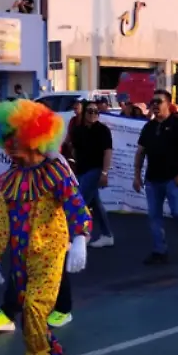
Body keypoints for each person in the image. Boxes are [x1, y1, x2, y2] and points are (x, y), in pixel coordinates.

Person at [0, 99, 91, 355]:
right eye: (7, 139)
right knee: (28, 309)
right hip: (20, 255)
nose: (10, 146)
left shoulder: (56, 172)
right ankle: (54, 353)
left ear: (34, 137)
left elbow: (76, 206)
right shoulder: (9, 180)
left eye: (16, 139)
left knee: (34, 307)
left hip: (49, 252)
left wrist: (80, 238)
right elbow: (0, 221)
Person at [133, 90, 178, 265]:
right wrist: (137, 175)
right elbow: (140, 152)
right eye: (152, 102)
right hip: (152, 179)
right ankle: (159, 251)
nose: (154, 105)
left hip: (173, 179)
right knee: (154, 216)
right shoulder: (149, 127)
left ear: (168, 103)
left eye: (158, 101)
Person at [71, 103, 114, 248]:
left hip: (95, 170)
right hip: (81, 170)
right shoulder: (78, 130)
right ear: (84, 113)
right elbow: (73, 149)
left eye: (96, 111)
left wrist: (104, 172)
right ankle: (107, 235)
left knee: (80, 202)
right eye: (90, 111)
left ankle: (80, 236)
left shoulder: (103, 130)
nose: (93, 114)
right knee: (96, 203)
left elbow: (107, 152)